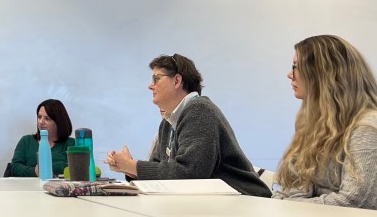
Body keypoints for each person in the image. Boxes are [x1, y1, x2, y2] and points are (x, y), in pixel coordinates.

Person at [105, 53, 270, 197]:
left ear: (177, 81)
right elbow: (161, 169)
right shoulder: (168, 122)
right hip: (216, 202)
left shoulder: (200, 110)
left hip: (247, 200)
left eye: (157, 78)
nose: (150, 86)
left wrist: (133, 166)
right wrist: (130, 169)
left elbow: (190, 173)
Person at [273, 35, 377, 209]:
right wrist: (282, 204)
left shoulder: (373, 127)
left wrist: (285, 206)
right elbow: (289, 191)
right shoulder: (314, 125)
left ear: (324, 74)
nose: (290, 75)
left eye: (296, 67)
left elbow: (357, 204)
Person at [7, 99, 74, 177]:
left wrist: (46, 168)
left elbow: (75, 167)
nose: (41, 122)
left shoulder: (71, 144)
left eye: (47, 118)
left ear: (59, 122)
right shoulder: (26, 141)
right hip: (28, 184)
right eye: (39, 117)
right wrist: (34, 171)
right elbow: (14, 168)